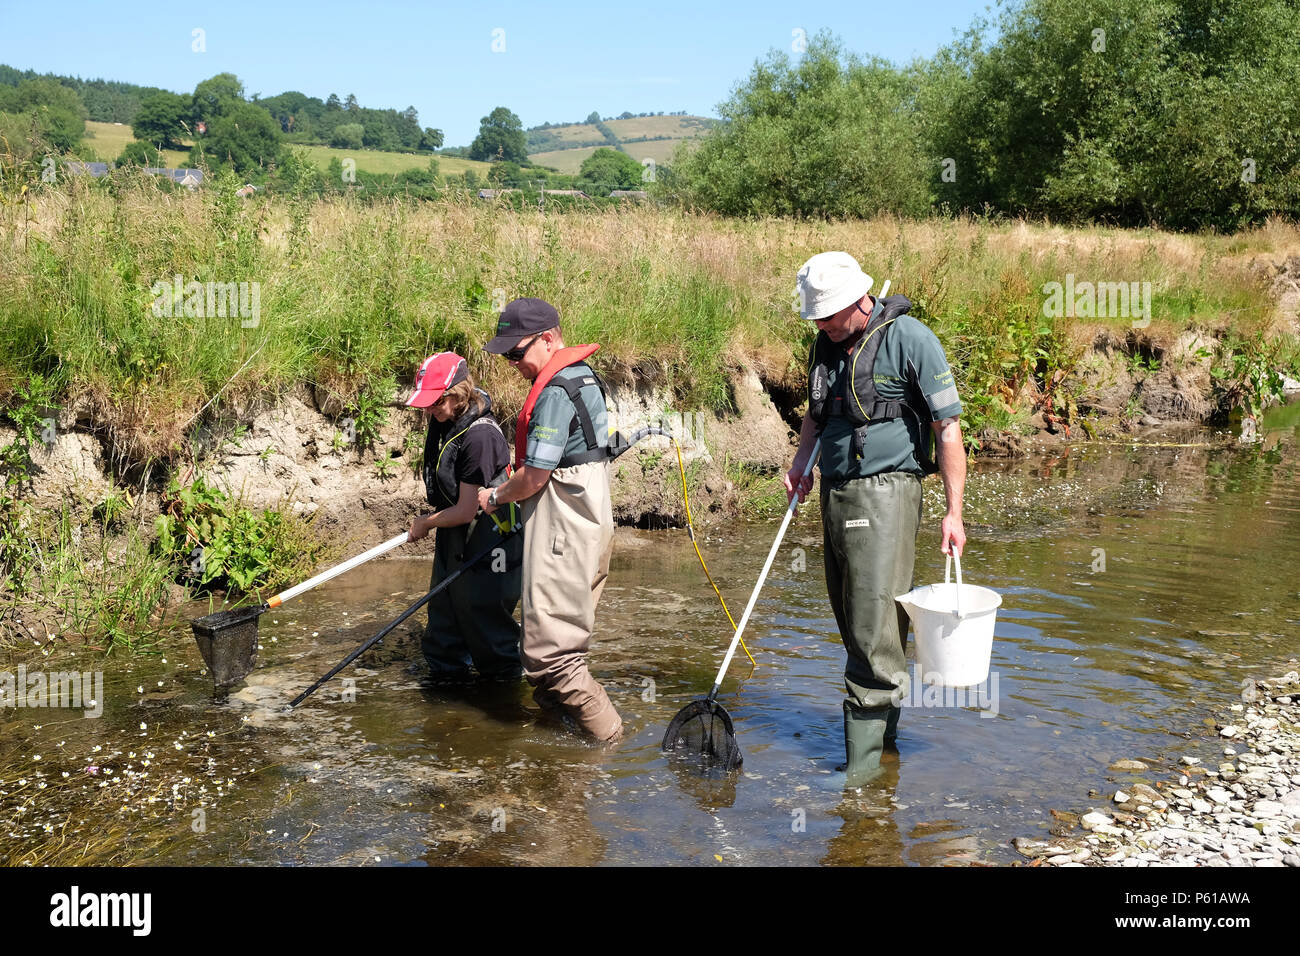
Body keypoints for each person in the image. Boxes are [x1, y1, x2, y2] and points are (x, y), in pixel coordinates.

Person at [783, 251, 967, 786]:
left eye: (827, 315)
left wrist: (954, 513)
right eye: (815, 316)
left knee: (872, 624)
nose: (819, 324)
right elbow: (817, 414)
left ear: (857, 301)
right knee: (854, 618)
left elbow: (948, 428)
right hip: (836, 493)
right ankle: (885, 757)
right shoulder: (825, 342)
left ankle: (860, 780)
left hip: (886, 493)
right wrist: (801, 463)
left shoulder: (911, 338)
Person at [476, 297, 623, 743]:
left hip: (565, 529)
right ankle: (554, 747)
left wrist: (495, 496)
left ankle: (609, 743)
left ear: (548, 338)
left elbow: (536, 476)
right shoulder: (581, 375)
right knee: (552, 648)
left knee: (552, 657)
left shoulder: (556, 389)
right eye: (506, 356)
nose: (512, 363)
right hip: (589, 523)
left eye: (517, 353)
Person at [405, 351, 523, 682]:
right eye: (426, 403)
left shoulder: (481, 436)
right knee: (444, 615)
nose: (429, 410)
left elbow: (467, 509)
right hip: (455, 530)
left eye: (435, 403)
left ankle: (502, 705)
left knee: (485, 623)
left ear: (457, 395)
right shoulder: (444, 418)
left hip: (490, 535)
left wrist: (425, 523)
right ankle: (446, 687)